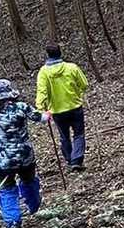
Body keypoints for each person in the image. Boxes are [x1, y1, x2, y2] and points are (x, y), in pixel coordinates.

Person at [0, 79, 48, 228]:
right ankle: (34, 206)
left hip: (2, 161)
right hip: (25, 156)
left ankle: (13, 222)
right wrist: (48, 114)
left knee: (6, 189)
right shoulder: (21, 107)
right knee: (29, 181)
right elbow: (41, 118)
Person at [35, 43, 89, 172]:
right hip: (75, 107)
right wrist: (79, 93)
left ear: (48, 55)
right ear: (60, 53)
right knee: (79, 134)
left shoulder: (44, 72)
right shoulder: (71, 67)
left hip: (57, 110)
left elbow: (42, 91)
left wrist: (40, 109)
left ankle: (70, 160)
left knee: (64, 136)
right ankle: (77, 160)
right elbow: (84, 84)